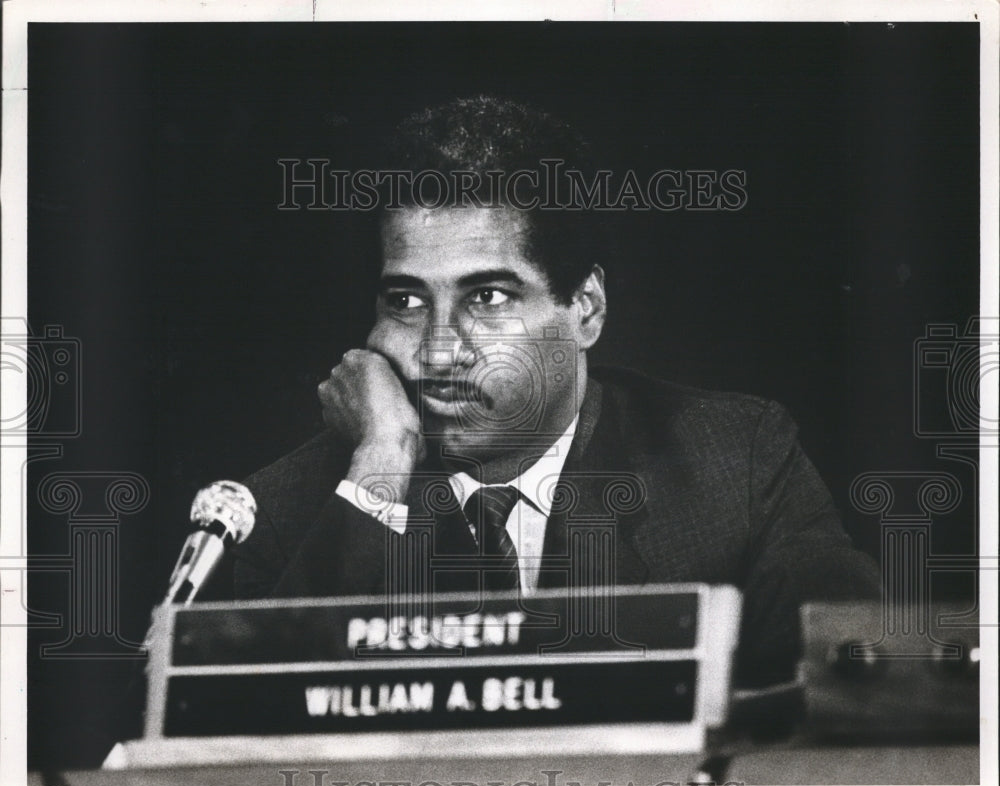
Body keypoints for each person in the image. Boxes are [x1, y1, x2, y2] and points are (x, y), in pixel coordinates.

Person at [233, 96, 880, 687]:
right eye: (405, 300)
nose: (436, 350)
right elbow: (228, 734)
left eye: (487, 298)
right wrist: (380, 463)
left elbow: (864, 695)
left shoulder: (735, 464)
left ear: (586, 309)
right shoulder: (281, 509)